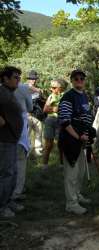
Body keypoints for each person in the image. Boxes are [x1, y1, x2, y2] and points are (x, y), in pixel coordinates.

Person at [58, 69, 94, 215]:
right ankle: (71, 203)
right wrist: (78, 137)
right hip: (70, 140)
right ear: (72, 81)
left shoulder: (84, 96)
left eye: (82, 78)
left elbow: (86, 118)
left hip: (81, 139)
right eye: (76, 79)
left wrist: (86, 134)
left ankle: (77, 195)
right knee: (71, 173)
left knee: (80, 171)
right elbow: (65, 121)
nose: (79, 80)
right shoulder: (68, 97)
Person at [0, 66, 23, 218]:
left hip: (12, 139)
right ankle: (1, 207)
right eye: (15, 77)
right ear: (5, 79)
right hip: (4, 140)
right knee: (6, 174)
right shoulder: (1, 92)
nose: (18, 80)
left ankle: (8, 201)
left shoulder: (9, 92)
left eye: (19, 78)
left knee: (13, 172)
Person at [11, 80, 33, 204]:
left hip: (5, 133)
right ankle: (15, 193)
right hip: (19, 130)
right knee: (19, 163)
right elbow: (30, 107)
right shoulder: (23, 88)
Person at [42, 79, 65, 169]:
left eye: (54, 87)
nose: (52, 89)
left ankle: (62, 164)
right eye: (52, 87)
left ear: (60, 88)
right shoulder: (51, 96)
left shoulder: (65, 96)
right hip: (50, 120)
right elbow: (45, 109)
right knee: (48, 144)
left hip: (61, 120)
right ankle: (45, 165)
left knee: (61, 144)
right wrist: (54, 109)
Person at [27, 70, 44, 156]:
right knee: (27, 135)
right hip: (27, 115)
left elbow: (42, 100)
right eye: (31, 78)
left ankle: (38, 152)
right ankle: (27, 152)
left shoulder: (38, 89)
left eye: (34, 79)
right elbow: (29, 87)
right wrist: (38, 90)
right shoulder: (25, 87)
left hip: (37, 115)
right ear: (28, 79)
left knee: (39, 134)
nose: (33, 80)